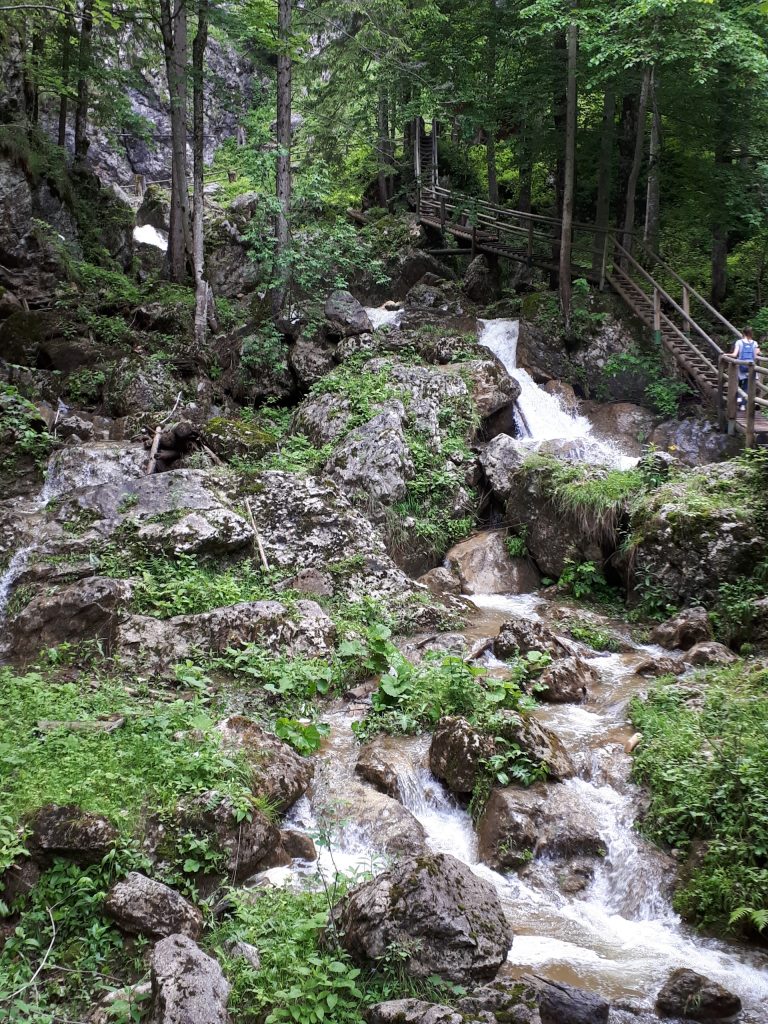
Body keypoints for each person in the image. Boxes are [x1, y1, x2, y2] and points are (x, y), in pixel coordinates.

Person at [730, 327, 760, 410]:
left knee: (737, 383)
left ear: (743, 333)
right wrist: (759, 352)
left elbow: (734, 354)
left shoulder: (739, 342)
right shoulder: (754, 343)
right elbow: (755, 356)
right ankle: (743, 405)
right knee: (747, 386)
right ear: (751, 333)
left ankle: (738, 400)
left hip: (741, 366)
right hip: (751, 366)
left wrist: (726, 355)